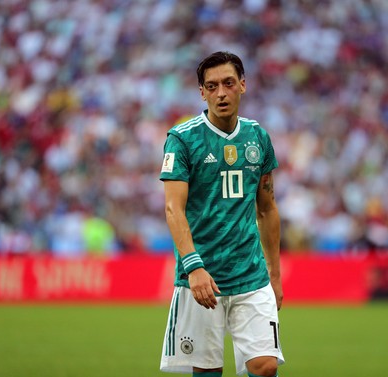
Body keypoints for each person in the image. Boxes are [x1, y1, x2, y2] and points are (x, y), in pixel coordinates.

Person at [159, 51, 285, 377]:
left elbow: (268, 208)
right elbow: (174, 209)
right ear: (201, 92)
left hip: (251, 275)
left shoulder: (257, 137)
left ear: (243, 85)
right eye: (211, 86)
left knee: (265, 366)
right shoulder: (182, 140)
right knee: (207, 372)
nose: (221, 93)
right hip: (202, 278)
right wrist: (193, 267)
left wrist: (274, 272)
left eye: (228, 83)